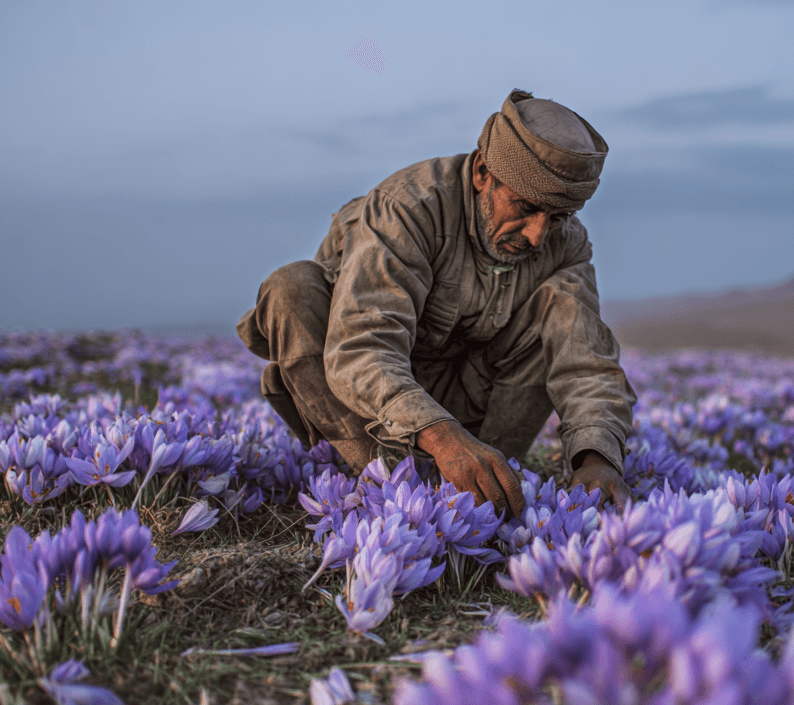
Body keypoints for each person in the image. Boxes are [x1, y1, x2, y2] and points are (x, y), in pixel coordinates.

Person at [237, 89, 636, 518]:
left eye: (556, 217)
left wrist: (597, 459)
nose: (537, 235)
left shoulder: (564, 244)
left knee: (557, 312)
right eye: (526, 207)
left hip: (472, 414)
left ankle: (481, 490)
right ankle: (377, 480)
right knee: (290, 288)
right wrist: (441, 436)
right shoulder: (409, 207)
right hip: (368, 409)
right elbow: (361, 347)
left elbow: (585, 361)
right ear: (483, 172)